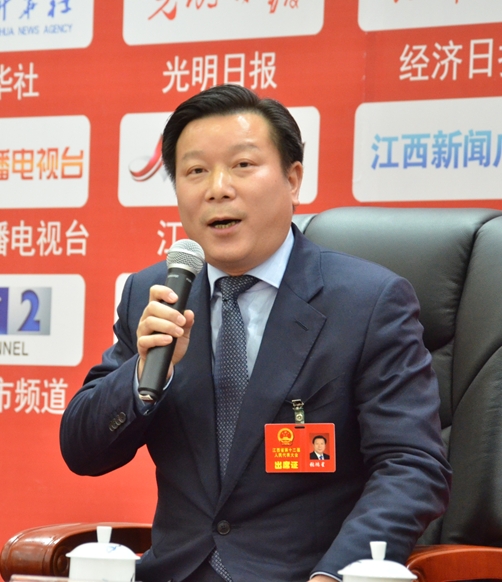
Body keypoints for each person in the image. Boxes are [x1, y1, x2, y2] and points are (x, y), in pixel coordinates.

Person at [60, 84, 451, 582]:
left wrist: (337, 575)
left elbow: (411, 464)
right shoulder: (155, 294)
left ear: (293, 179)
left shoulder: (368, 302)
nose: (217, 188)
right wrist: (143, 373)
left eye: (242, 165)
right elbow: (83, 451)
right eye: (195, 171)